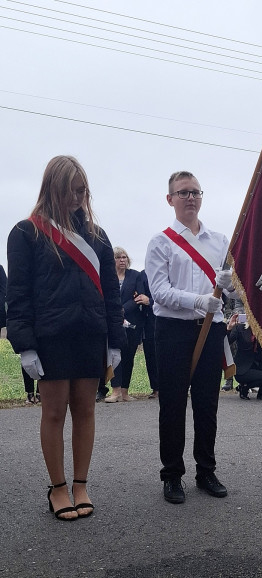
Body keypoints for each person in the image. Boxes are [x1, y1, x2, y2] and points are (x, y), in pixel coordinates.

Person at [6, 155, 124, 520]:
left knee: (86, 411)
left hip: (90, 334)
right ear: (53, 187)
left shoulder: (97, 236)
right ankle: (58, 488)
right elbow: (19, 295)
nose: (78, 197)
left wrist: (115, 340)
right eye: (72, 189)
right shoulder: (26, 232)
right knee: (54, 412)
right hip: (50, 338)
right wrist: (24, 345)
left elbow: (110, 292)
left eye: (82, 190)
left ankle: (81, 484)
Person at [145, 170, 232, 504]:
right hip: (173, 331)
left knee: (207, 404)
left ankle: (206, 470)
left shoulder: (220, 241)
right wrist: (200, 301)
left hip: (211, 329)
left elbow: (234, 291)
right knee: (172, 404)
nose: (190, 197)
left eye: (195, 191)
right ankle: (171, 475)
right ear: (170, 200)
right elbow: (160, 293)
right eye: (183, 193)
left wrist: (229, 285)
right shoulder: (161, 242)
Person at [105, 247, 148, 402]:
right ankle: (115, 391)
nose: (122, 260)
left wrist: (122, 310)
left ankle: (125, 392)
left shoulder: (135, 276)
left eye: (124, 257)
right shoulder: (107, 277)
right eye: (118, 257)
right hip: (112, 323)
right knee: (115, 355)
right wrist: (115, 313)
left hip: (132, 323)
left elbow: (138, 297)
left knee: (128, 357)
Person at [227, 313, 262, 400]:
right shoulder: (240, 328)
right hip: (242, 369)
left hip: (257, 365)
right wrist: (230, 328)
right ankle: (244, 388)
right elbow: (227, 342)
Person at [139, 269, 158, 398]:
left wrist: (150, 301)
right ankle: (156, 388)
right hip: (149, 322)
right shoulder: (143, 274)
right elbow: (139, 295)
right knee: (151, 356)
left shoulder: (173, 270)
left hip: (170, 321)